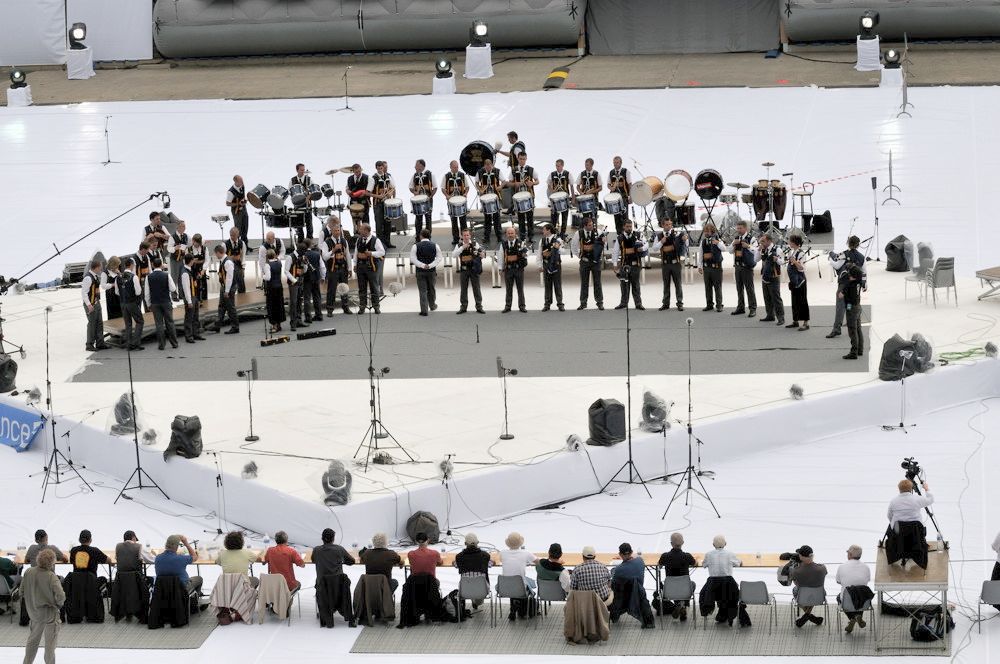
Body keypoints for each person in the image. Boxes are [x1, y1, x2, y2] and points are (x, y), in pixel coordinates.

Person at [21, 548, 64, 664]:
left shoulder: (28, 572)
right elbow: (61, 595)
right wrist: (58, 605)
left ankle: (27, 662)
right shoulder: (51, 576)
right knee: (50, 644)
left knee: (32, 642)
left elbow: (21, 591)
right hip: (49, 614)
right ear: (52, 562)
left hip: (33, 613)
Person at [827, 235, 867, 339]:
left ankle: (837, 329)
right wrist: (864, 284)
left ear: (848, 243)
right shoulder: (862, 257)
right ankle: (852, 323)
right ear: (858, 245)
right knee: (852, 304)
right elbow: (864, 272)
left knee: (840, 307)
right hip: (856, 286)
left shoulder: (844, 254)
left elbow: (837, 265)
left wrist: (830, 260)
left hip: (844, 284)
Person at [701, 535, 743, 626]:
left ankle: (713, 612)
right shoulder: (730, 554)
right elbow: (738, 563)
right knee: (733, 589)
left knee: (703, 592)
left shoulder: (708, 554)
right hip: (728, 586)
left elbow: (704, 565)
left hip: (713, 589)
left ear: (713, 545)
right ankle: (727, 614)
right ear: (725, 544)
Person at [611, 542, 654, 628]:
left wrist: (614, 571)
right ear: (632, 552)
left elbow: (614, 580)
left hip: (624, 596)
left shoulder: (619, 569)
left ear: (620, 554)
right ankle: (649, 622)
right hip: (639, 593)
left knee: (614, 589)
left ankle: (614, 615)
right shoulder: (640, 561)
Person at [657, 532, 697, 620]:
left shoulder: (665, 556)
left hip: (670, 591)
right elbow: (695, 563)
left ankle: (679, 605)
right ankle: (682, 605)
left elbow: (659, 566)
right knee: (692, 584)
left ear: (671, 544)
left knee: (675, 585)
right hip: (684, 590)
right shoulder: (687, 556)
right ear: (683, 543)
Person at [651, 217, 686, 311]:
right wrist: (661, 242)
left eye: (670, 224)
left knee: (678, 284)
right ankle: (665, 303)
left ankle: (680, 303)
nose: (669, 226)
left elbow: (685, 244)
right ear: (662, 225)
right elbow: (654, 248)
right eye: (666, 224)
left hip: (675, 263)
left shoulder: (677, 234)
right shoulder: (658, 236)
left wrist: (683, 239)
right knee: (666, 284)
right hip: (665, 264)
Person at [500, 532, 538, 620]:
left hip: (505, 588)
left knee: (512, 581)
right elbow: (538, 562)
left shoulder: (502, 553)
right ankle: (522, 608)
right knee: (526, 583)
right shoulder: (526, 553)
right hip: (520, 587)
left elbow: (503, 561)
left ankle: (513, 607)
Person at [144, 258, 179, 351]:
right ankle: (174, 343)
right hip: (166, 301)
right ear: (161, 265)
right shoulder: (166, 275)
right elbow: (172, 288)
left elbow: (146, 293)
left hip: (155, 303)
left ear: (153, 265)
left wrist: (148, 304)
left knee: (159, 324)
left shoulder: (149, 277)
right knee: (170, 323)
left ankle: (161, 345)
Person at [835, 544, 871, 633]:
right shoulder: (866, 567)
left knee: (839, 597)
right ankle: (858, 616)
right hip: (864, 602)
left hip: (847, 601)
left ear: (850, 555)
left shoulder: (842, 566)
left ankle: (852, 618)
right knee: (860, 595)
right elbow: (867, 581)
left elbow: (838, 581)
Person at [790, 544, 827, 627]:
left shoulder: (796, 571)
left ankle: (807, 615)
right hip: (819, 596)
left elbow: (795, 583)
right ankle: (809, 616)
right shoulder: (822, 568)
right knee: (814, 590)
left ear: (801, 557)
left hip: (803, 597)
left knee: (796, 590)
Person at [572, 216, 604, 310]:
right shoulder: (579, 233)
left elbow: (603, 245)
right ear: (585, 226)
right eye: (590, 225)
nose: (592, 226)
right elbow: (573, 246)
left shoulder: (598, 232)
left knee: (597, 282)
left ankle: (599, 302)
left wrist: (602, 242)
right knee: (584, 283)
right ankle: (583, 302)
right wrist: (580, 255)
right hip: (585, 261)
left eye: (592, 224)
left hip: (596, 262)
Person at [612, 219, 646, 310]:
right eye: (627, 226)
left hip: (635, 264)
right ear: (623, 227)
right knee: (624, 285)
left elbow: (646, 244)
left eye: (630, 226)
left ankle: (638, 303)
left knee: (636, 285)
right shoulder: (620, 237)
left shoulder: (638, 235)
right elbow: (615, 252)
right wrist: (615, 264)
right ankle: (623, 303)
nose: (629, 228)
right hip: (624, 265)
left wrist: (641, 248)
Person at [321, 219, 353, 315]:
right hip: (333, 269)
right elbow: (325, 257)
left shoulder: (344, 241)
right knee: (332, 289)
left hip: (343, 268)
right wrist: (333, 251)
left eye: (339, 230)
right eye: (335, 230)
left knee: (344, 288)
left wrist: (350, 268)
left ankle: (345, 307)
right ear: (332, 232)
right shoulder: (326, 242)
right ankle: (330, 309)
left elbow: (347, 255)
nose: (337, 232)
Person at [506, 152, 539, 242]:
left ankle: (531, 237)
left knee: (530, 218)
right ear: (518, 158)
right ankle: (522, 237)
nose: (522, 161)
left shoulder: (531, 169)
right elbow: (508, 183)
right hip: (518, 198)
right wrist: (514, 184)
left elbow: (537, 181)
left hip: (529, 197)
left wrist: (532, 183)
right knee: (520, 219)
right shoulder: (514, 170)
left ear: (526, 159)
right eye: (520, 159)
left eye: (524, 159)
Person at [728, 221, 758, 317]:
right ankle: (740, 307)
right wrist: (733, 245)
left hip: (747, 267)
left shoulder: (751, 238)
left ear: (745, 228)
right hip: (737, 266)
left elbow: (757, 251)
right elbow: (729, 251)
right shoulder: (736, 238)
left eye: (740, 228)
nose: (738, 230)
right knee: (739, 288)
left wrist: (748, 246)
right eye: (737, 228)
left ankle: (752, 308)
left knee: (749, 288)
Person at [354, 223, 385, 314]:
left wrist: (371, 253)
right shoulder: (359, 240)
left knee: (374, 287)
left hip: (372, 267)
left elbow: (382, 252)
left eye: (361, 229)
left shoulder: (376, 240)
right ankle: (362, 306)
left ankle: (376, 306)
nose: (359, 231)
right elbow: (356, 252)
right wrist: (355, 264)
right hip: (360, 267)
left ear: (367, 231)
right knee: (362, 288)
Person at [453, 229, 486, 314]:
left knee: (477, 288)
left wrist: (482, 254)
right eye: (464, 235)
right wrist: (462, 248)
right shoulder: (459, 245)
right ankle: (463, 307)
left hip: (473, 269)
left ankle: (479, 306)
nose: (466, 237)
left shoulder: (475, 244)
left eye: (467, 235)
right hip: (464, 270)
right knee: (463, 289)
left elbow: (482, 254)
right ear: (461, 236)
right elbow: (454, 255)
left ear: (470, 236)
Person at [410, 229, 441, 316]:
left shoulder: (415, 246)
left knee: (422, 291)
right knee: (431, 289)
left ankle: (424, 310)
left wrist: (422, 265)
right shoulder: (435, 245)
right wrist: (430, 265)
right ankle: (432, 305)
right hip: (431, 271)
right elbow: (439, 258)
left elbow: (413, 258)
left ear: (421, 236)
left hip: (420, 271)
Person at [456, 533, 491, 611]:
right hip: (482, 589)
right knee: (479, 596)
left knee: (470, 581)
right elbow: (489, 563)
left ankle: (474, 599)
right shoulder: (485, 555)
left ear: (465, 544)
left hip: (465, 589)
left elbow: (458, 566)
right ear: (477, 543)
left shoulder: (459, 557)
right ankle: (476, 601)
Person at [116, 257, 144, 351]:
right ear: (131, 265)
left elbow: (117, 292)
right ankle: (135, 343)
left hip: (123, 303)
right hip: (132, 302)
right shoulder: (134, 276)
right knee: (140, 321)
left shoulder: (118, 277)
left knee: (128, 324)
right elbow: (138, 292)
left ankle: (128, 343)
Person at [262, 249, 294, 333]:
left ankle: (274, 325)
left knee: (272, 307)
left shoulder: (267, 265)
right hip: (279, 287)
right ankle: (279, 324)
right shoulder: (279, 263)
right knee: (279, 305)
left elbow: (268, 277)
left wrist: (263, 276)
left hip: (271, 288)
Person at [497, 226, 528, 313]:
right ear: (506, 234)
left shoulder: (521, 243)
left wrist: (524, 254)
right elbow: (500, 257)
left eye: (512, 233)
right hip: (508, 270)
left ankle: (522, 306)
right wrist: (500, 268)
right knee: (508, 289)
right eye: (509, 233)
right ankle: (508, 306)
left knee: (520, 289)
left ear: (515, 234)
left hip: (519, 269)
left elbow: (527, 252)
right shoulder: (503, 244)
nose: (510, 235)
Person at [81, 259, 109, 352]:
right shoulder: (88, 278)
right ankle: (89, 344)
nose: (101, 269)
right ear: (96, 268)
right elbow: (84, 293)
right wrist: (89, 305)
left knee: (99, 323)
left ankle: (100, 343)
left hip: (97, 302)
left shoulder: (95, 276)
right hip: (91, 304)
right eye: (100, 268)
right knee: (92, 324)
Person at [758, 233, 785, 326]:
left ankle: (781, 317)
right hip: (765, 276)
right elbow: (756, 260)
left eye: (763, 241)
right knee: (767, 297)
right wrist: (758, 251)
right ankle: (770, 315)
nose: (761, 243)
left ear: (769, 241)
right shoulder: (763, 249)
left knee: (776, 298)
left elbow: (783, 261)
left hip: (774, 277)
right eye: (761, 241)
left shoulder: (777, 249)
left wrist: (777, 259)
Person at [697, 221, 725, 312]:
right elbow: (701, 254)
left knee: (717, 287)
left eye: (708, 231)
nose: (706, 233)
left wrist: (717, 243)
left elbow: (724, 249)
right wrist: (700, 266)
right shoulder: (703, 242)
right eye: (705, 231)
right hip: (707, 267)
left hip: (716, 267)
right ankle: (709, 304)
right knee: (707, 287)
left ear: (712, 232)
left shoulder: (718, 240)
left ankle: (719, 305)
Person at [475, 158, 503, 246]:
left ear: (492, 165)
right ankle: (486, 237)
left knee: (497, 219)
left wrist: (500, 187)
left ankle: (499, 237)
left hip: (495, 198)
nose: (488, 167)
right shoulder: (480, 172)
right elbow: (476, 183)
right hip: (485, 199)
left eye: (489, 165)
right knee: (487, 219)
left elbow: (505, 181)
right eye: (486, 166)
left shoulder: (497, 171)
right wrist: (480, 190)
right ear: (484, 166)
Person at [212, 244, 239, 334]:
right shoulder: (223, 261)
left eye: (216, 254)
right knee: (222, 306)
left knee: (230, 307)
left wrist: (227, 291)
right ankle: (217, 325)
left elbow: (229, 278)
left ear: (219, 253)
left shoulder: (228, 262)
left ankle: (235, 327)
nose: (216, 256)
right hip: (224, 286)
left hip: (229, 287)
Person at [369, 160, 396, 249]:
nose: (380, 169)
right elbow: (367, 193)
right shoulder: (373, 178)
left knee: (387, 223)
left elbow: (393, 188)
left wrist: (390, 193)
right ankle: (380, 245)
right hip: (378, 204)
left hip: (387, 204)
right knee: (379, 224)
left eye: (382, 167)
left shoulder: (388, 176)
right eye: (379, 168)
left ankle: (388, 242)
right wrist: (378, 196)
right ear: (376, 168)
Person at [441, 160, 469, 246]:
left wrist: (465, 193)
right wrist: (447, 195)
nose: (456, 168)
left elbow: (467, 187)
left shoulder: (462, 175)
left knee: (463, 221)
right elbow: (442, 188)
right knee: (454, 221)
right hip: (451, 202)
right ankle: (456, 238)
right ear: (451, 167)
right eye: (454, 167)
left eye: (457, 167)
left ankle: (464, 238)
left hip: (461, 202)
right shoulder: (446, 176)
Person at [537, 223, 564, 311]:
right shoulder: (542, 240)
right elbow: (539, 253)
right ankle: (547, 303)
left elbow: (563, 251)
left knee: (557, 284)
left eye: (544, 229)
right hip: (546, 264)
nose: (543, 231)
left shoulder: (558, 239)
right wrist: (539, 265)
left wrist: (558, 248)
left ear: (548, 230)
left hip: (556, 265)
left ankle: (560, 303)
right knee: (547, 285)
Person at [841, 264, 865, 360]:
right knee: (858, 329)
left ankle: (853, 352)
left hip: (852, 308)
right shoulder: (859, 282)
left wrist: (843, 293)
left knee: (852, 330)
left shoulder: (851, 285)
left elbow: (843, 295)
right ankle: (860, 349)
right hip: (858, 306)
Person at [785, 234, 810, 331]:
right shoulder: (792, 252)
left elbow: (801, 268)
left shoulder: (801, 253)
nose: (788, 242)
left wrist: (794, 262)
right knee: (794, 301)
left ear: (794, 242)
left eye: (790, 241)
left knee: (802, 301)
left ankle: (806, 323)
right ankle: (795, 321)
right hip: (793, 280)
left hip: (800, 280)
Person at [179, 253, 204, 343]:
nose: (194, 261)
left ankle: (196, 333)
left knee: (195, 316)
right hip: (190, 297)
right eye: (193, 260)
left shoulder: (190, 269)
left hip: (194, 296)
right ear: (190, 261)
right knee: (189, 317)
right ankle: (188, 336)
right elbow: (186, 288)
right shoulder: (185, 273)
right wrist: (189, 301)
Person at [286, 242, 311, 329]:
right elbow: (286, 271)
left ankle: (299, 320)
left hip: (301, 281)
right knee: (293, 302)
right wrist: (294, 280)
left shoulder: (302, 257)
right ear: (299, 250)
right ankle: (293, 322)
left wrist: (305, 264)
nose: (305, 254)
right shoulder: (290, 257)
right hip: (293, 282)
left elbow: (305, 271)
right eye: (304, 252)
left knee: (300, 301)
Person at [547, 159, 574, 238]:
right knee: (554, 218)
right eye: (556, 166)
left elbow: (572, 186)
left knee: (564, 217)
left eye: (558, 166)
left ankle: (562, 234)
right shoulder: (552, 174)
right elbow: (548, 184)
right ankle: (553, 234)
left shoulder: (567, 174)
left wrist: (573, 198)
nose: (557, 167)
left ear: (562, 165)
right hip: (555, 200)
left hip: (564, 199)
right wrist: (552, 190)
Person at [409, 159, 436, 237]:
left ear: (421, 166)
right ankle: (418, 238)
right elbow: (410, 187)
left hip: (428, 200)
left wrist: (430, 197)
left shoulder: (430, 174)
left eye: (416, 165)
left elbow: (435, 188)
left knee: (428, 219)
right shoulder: (415, 175)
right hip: (418, 202)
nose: (414, 167)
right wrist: (415, 192)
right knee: (418, 220)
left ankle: (427, 238)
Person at [608, 156, 632, 235]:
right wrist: (612, 187)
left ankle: (627, 234)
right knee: (617, 217)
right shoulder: (611, 172)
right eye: (614, 162)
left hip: (624, 197)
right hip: (614, 198)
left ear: (621, 163)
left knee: (625, 216)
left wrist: (630, 196)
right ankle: (619, 235)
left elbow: (630, 184)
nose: (615, 164)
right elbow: (608, 184)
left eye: (617, 162)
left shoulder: (626, 171)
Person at [302, 240, 326, 322]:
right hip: (316, 278)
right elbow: (322, 267)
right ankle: (319, 315)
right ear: (310, 245)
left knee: (307, 298)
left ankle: (308, 317)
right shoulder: (317, 254)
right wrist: (323, 277)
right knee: (317, 297)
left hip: (307, 279)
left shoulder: (303, 255)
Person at [166, 220, 189, 301]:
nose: (184, 228)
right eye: (182, 226)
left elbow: (187, 246)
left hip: (182, 259)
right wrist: (175, 248)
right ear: (178, 227)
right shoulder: (173, 237)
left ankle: (181, 294)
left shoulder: (185, 236)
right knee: (174, 277)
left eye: (185, 226)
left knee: (181, 277)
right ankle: (174, 295)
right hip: (174, 260)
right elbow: (168, 248)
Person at [290, 163, 314, 240]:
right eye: (301, 170)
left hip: (307, 203)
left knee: (309, 223)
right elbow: (290, 191)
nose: (303, 171)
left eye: (304, 170)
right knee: (298, 222)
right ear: (297, 170)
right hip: (297, 205)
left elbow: (313, 190)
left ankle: (309, 240)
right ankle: (300, 240)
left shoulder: (309, 179)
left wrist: (309, 196)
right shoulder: (292, 180)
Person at [226, 175, 249, 245]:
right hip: (237, 212)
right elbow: (227, 203)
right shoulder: (231, 192)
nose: (242, 182)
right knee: (238, 228)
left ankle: (245, 245)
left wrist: (244, 200)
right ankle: (238, 245)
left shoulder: (242, 186)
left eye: (242, 180)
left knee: (245, 226)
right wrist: (238, 204)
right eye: (240, 181)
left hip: (243, 209)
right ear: (236, 182)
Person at [225, 226, 248, 294]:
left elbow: (243, 256)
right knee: (231, 286)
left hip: (239, 266)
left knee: (241, 286)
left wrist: (243, 268)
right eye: (231, 235)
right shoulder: (225, 244)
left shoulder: (242, 243)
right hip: (229, 267)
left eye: (234, 235)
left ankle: (242, 300)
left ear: (238, 235)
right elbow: (223, 258)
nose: (233, 237)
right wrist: (232, 258)